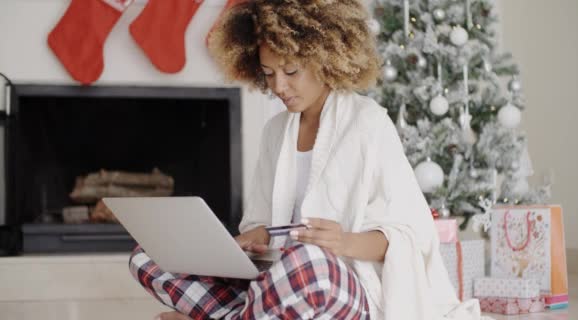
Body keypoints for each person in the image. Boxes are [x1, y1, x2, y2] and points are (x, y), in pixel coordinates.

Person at [129, 1, 484, 319]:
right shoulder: (275, 131)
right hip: (276, 282)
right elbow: (267, 227)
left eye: (291, 71)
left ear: (322, 57)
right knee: (149, 257)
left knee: (309, 263)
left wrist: (344, 242)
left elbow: (414, 235)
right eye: (268, 74)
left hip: (337, 286)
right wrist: (256, 237)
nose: (279, 86)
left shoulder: (368, 121)